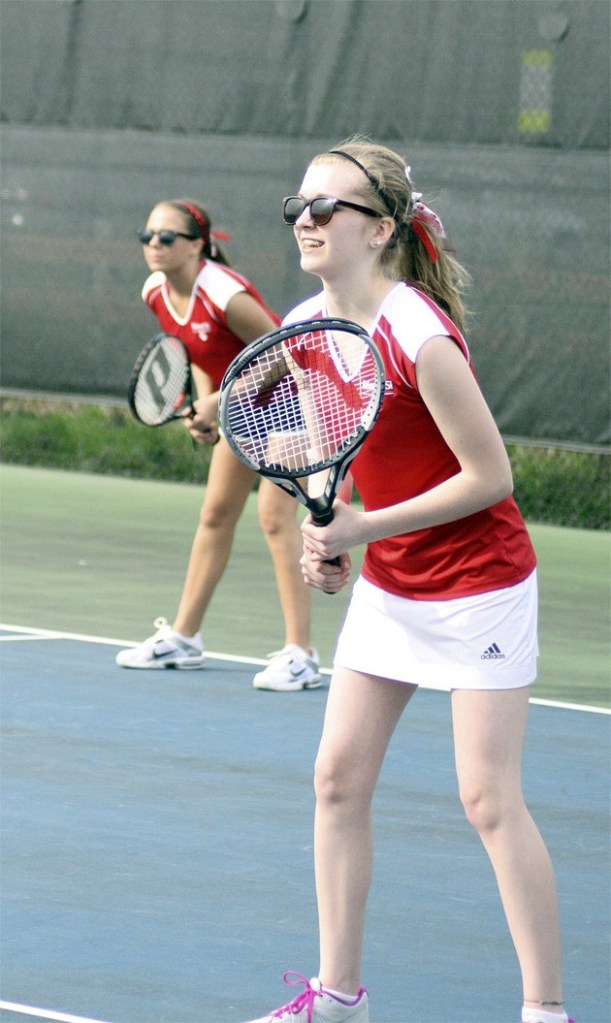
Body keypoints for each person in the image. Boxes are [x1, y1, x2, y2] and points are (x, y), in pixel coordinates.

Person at [238, 139, 576, 1022]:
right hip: (393, 584)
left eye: (326, 208)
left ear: (379, 228)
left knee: (486, 797)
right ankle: (338, 995)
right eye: (298, 206)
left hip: (482, 581)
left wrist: (361, 526)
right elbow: (345, 459)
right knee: (336, 779)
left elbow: (489, 474)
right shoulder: (307, 329)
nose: (304, 221)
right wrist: (334, 538)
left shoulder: (415, 330)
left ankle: (544, 1009)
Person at [115, 198, 320, 691]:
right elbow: (204, 353)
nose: (154, 247)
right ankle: (184, 639)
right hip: (242, 407)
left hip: (294, 401)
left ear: (197, 245)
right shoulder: (156, 292)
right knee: (215, 515)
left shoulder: (223, 293)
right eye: (148, 237)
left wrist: (222, 402)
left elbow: (282, 349)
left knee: (275, 518)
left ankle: (302, 655)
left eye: (167, 238)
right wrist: (211, 407)